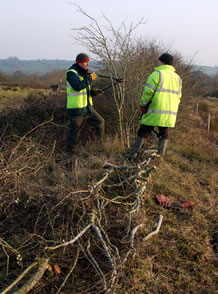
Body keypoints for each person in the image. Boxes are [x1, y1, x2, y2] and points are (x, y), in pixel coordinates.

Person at [126, 53, 182, 159]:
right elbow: (179, 97)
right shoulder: (177, 78)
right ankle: (160, 157)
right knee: (164, 133)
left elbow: (148, 93)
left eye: (158, 61)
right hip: (170, 113)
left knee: (143, 131)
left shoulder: (157, 74)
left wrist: (143, 105)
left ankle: (132, 155)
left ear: (161, 62)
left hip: (154, 110)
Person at [66, 53, 104, 154]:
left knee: (100, 122)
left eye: (87, 63)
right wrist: (90, 78)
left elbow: (85, 92)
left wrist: (94, 92)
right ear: (77, 63)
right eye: (83, 63)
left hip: (88, 109)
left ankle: (98, 147)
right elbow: (78, 86)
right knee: (74, 135)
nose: (86, 65)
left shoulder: (84, 74)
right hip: (77, 110)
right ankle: (70, 156)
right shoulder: (71, 73)